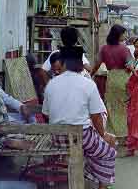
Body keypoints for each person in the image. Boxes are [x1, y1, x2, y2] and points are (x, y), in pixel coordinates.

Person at [42, 46, 116, 189]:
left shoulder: (51, 84)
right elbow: (96, 116)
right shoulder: (88, 84)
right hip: (81, 137)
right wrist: (103, 134)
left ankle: (87, 174)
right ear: (81, 65)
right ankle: (102, 186)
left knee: (94, 147)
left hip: (57, 138)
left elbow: (46, 113)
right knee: (109, 152)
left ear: (63, 63)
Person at [91, 24, 132, 138]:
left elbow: (97, 65)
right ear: (119, 35)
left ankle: (113, 133)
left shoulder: (104, 49)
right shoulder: (125, 49)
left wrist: (91, 75)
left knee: (111, 107)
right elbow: (130, 66)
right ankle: (125, 133)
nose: (125, 35)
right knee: (124, 107)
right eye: (124, 33)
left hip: (111, 79)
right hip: (124, 78)